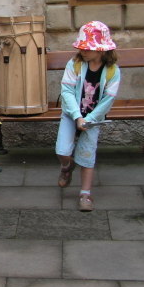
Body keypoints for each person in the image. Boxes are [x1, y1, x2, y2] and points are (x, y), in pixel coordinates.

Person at [56, 21, 120, 212]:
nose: (83, 51)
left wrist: (89, 119)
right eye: (81, 47)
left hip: (93, 119)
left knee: (87, 155)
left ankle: (85, 194)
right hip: (71, 114)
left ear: (101, 50)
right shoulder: (74, 64)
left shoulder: (113, 71)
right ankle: (67, 167)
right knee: (62, 150)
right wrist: (77, 116)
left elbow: (108, 99)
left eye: (88, 48)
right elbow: (67, 91)